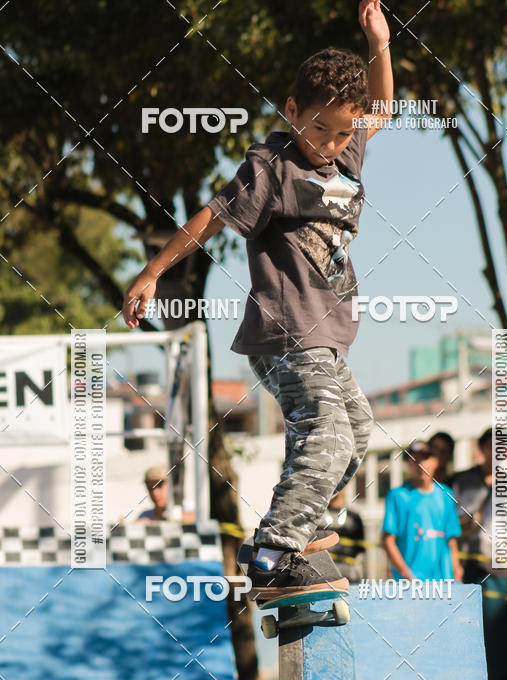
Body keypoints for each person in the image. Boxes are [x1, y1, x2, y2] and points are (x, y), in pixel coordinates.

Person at [122, 2, 393, 604]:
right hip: (288, 334)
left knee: (357, 432)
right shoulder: (271, 166)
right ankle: (271, 554)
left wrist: (380, 42)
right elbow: (212, 217)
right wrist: (153, 272)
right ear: (291, 110)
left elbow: (383, 106)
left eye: (341, 133)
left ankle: (305, 526)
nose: (328, 144)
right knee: (327, 431)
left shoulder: (347, 151)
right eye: (318, 129)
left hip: (328, 340)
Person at [452, 427, 507, 680]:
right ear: (481, 448)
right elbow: (454, 522)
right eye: (492, 446)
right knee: (470, 628)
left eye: (503, 447)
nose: (497, 452)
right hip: (468, 562)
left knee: (500, 629)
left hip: (500, 565)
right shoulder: (464, 480)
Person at [381, 440, 463, 581]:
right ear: (408, 464)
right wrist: (406, 574)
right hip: (409, 583)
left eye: (425, 458)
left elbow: (451, 540)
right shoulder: (397, 496)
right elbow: (388, 540)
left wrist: (457, 571)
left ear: (436, 461)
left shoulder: (446, 494)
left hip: (442, 581)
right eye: (415, 459)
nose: (420, 464)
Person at [326, 486, 366, 582]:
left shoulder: (354, 517)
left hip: (350, 577)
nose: (337, 485)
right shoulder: (316, 517)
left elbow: (360, 551)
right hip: (321, 579)